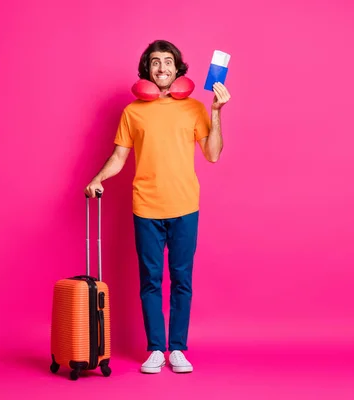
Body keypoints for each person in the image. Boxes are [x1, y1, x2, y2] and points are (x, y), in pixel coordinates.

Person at [84, 39, 231, 374]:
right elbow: (120, 157)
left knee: (182, 280)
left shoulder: (194, 108)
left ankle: (177, 348)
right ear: (146, 70)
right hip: (146, 208)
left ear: (178, 68)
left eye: (168, 61)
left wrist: (217, 112)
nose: (162, 68)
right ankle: (155, 349)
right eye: (155, 62)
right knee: (150, 280)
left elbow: (212, 154)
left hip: (184, 207)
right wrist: (98, 178)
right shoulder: (133, 112)